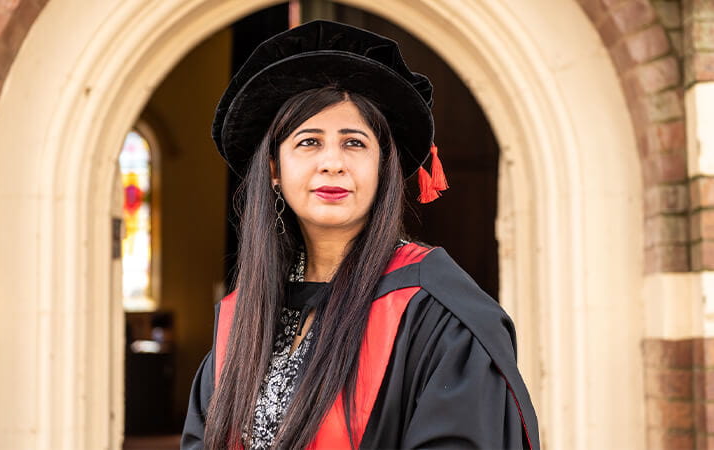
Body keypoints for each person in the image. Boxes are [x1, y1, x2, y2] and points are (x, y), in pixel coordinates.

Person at [181, 20, 539, 450]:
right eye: (308, 142)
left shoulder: (437, 312)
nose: (332, 162)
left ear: (383, 167)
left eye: (354, 143)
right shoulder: (245, 318)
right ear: (274, 170)